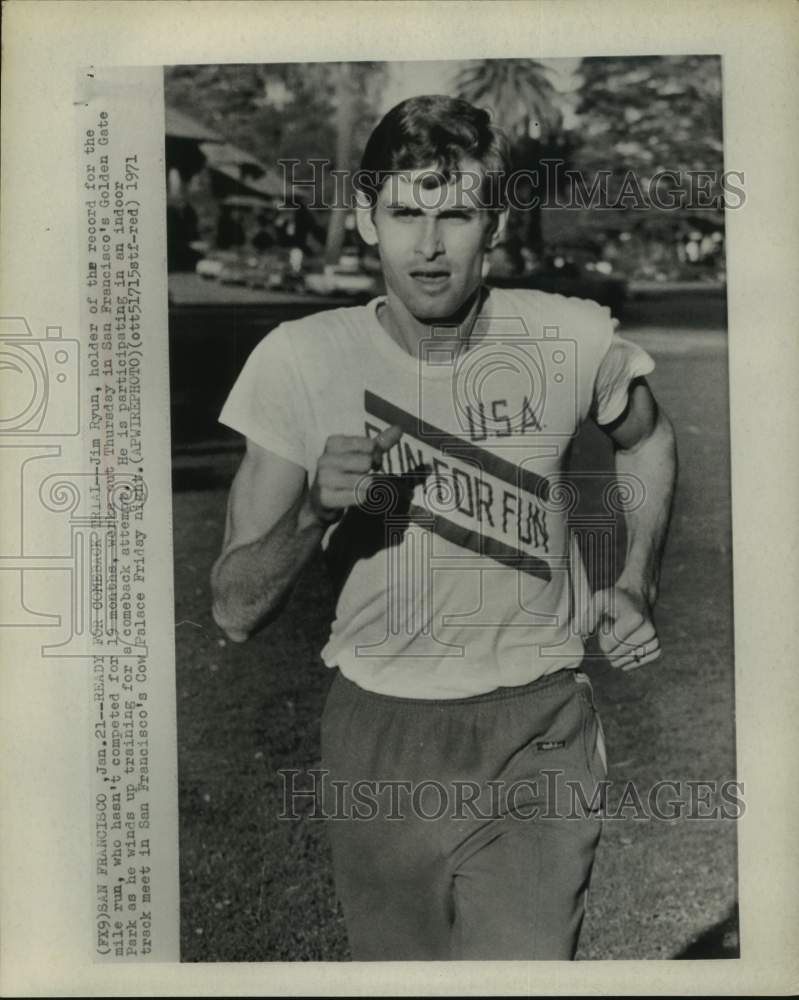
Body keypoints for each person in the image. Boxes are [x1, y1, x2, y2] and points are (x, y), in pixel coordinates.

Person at [210, 95, 677, 960]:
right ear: (363, 218)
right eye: (403, 214)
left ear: (491, 221)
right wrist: (314, 510)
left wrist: (634, 579)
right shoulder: (300, 358)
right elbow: (234, 608)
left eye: (454, 214)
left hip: (536, 723)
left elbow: (645, 439)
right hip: (379, 734)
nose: (428, 246)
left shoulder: (566, 335)